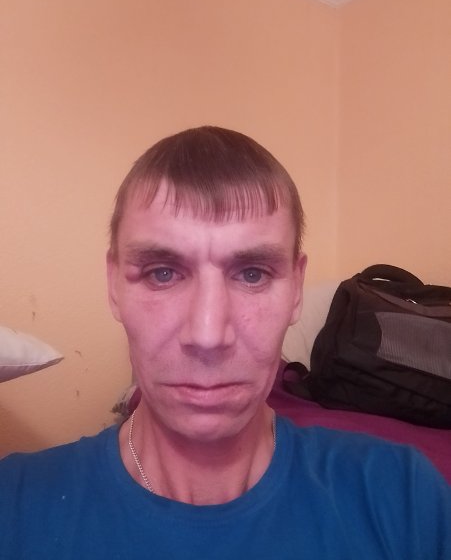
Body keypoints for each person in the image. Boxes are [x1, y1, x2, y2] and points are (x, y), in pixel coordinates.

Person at [0, 126, 450, 559]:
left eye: (252, 274)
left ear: (296, 290)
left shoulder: (404, 496)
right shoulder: (14, 505)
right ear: (113, 285)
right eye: (162, 273)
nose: (208, 335)